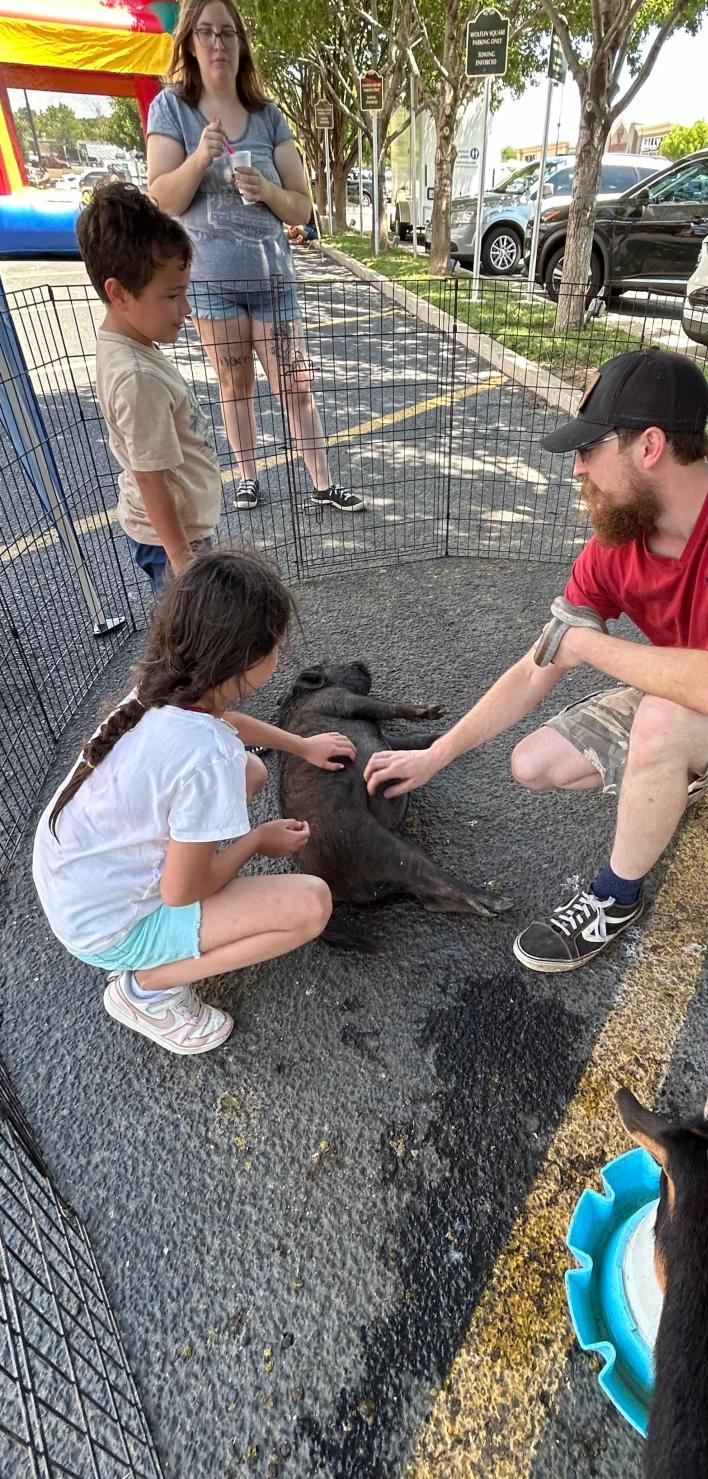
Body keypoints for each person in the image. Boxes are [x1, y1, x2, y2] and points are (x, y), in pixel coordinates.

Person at [364, 348, 708, 974]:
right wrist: (436, 754)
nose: (577, 470)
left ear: (648, 446)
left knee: (662, 724)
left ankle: (614, 900)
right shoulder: (615, 547)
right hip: (686, 698)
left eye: (588, 450)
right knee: (535, 763)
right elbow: (533, 668)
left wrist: (589, 645)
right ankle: (684, 768)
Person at [32, 550, 357, 1055]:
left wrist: (304, 745)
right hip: (107, 927)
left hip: (74, 882)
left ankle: (190, 896)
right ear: (247, 662)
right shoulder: (207, 758)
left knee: (252, 769)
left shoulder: (161, 687)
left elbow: (223, 727)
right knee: (310, 906)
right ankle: (146, 989)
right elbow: (183, 892)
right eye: (276, 647)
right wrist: (254, 842)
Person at [145, 0, 362, 515]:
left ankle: (322, 482)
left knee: (296, 384)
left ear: (241, 44)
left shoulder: (269, 117)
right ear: (189, 43)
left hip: (275, 280)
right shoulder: (171, 109)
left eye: (227, 33)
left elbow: (303, 204)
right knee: (233, 384)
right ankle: (246, 476)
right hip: (212, 282)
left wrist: (265, 188)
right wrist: (200, 155)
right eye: (206, 33)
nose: (218, 43)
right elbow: (163, 197)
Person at [76, 181, 222, 597]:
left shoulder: (133, 346)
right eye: (173, 296)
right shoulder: (137, 377)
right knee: (189, 642)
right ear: (119, 293)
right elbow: (150, 476)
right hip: (172, 543)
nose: (186, 309)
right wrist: (182, 559)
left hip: (177, 534)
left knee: (195, 639)